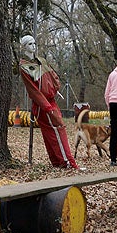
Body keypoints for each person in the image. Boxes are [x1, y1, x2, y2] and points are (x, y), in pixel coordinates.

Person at [18, 35, 80, 170]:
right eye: (29, 44)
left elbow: (52, 75)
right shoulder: (24, 66)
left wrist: (55, 88)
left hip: (50, 100)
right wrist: (45, 106)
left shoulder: (41, 60)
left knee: (52, 132)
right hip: (43, 105)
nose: (33, 46)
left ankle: (58, 162)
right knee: (57, 129)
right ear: (24, 47)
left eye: (34, 43)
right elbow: (33, 90)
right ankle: (68, 162)